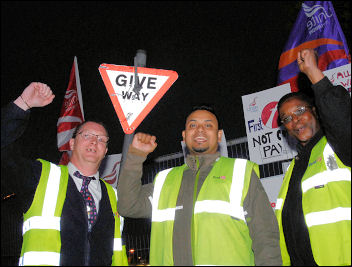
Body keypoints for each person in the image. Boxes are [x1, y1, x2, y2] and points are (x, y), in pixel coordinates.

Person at [117, 104, 282, 265]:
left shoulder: (241, 172)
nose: (200, 129)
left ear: (219, 135)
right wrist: (135, 156)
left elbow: (266, 236)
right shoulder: (165, 180)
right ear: (184, 135)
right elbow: (127, 206)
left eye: (208, 125)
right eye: (193, 125)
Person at [1, 82, 128, 266]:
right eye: (87, 135)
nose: (94, 141)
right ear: (71, 144)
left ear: (106, 150)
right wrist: (22, 105)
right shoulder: (41, 176)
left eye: (101, 139)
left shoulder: (113, 195)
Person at [275, 48, 351, 266]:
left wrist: (313, 73)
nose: (295, 121)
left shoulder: (337, 145)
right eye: (286, 118)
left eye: (300, 111)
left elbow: (341, 117)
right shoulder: (294, 168)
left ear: (316, 110)